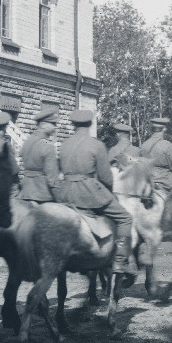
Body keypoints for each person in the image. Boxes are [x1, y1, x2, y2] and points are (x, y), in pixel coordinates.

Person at [51, 109, 135, 277]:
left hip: (65, 192)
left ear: (73, 124)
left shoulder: (64, 144)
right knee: (126, 218)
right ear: (90, 124)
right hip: (89, 192)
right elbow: (105, 177)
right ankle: (120, 262)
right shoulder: (96, 144)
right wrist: (107, 193)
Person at [17, 105, 60, 203]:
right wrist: (60, 198)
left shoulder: (27, 142)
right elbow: (52, 179)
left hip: (25, 193)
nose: (55, 127)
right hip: (42, 195)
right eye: (53, 123)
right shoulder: (48, 145)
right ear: (43, 124)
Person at [140, 117, 172, 192]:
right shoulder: (167, 145)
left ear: (152, 129)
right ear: (164, 129)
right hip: (165, 182)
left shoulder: (144, 145)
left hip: (148, 182)